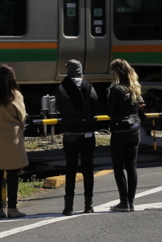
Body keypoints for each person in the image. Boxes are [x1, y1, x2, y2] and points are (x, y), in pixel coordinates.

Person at [0, 64, 29, 218]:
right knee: (12, 175)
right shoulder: (15, 94)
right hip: (13, 139)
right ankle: (12, 208)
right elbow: (22, 116)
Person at [54, 59, 99, 215]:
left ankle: (68, 207)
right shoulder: (88, 86)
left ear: (68, 71)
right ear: (80, 70)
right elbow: (95, 104)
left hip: (69, 134)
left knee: (70, 169)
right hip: (87, 133)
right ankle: (88, 205)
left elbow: (58, 108)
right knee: (88, 169)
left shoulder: (62, 87)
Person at [106, 58, 143, 212]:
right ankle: (131, 202)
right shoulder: (135, 88)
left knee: (118, 167)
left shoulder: (116, 90)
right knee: (131, 167)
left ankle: (123, 202)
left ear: (116, 72)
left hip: (120, 131)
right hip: (135, 130)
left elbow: (110, 112)